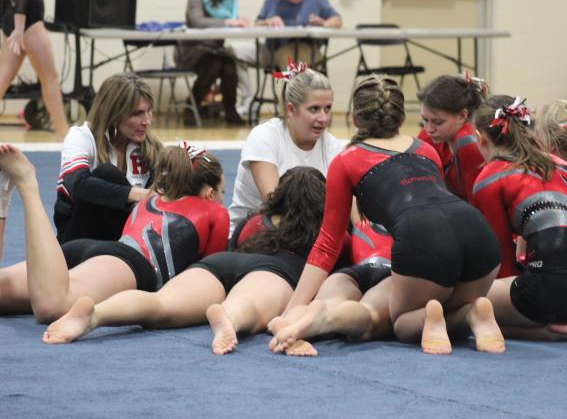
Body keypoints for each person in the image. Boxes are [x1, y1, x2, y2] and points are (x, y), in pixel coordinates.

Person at [270, 75, 504, 356]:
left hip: (423, 234)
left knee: (402, 323)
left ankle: (460, 315)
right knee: (446, 302)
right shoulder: (426, 150)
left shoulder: (348, 160)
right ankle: (473, 310)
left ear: (355, 119)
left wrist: (293, 308)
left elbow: (328, 243)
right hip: (477, 232)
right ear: (401, 117)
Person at [43, 167, 326, 356]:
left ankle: (96, 314)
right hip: (275, 272)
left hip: (220, 263)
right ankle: (228, 317)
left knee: (159, 302)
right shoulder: (325, 233)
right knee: (246, 304)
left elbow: (233, 242)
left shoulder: (254, 221)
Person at [0, 142, 228, 322]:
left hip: (92, 252)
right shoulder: (215, 212)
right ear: (209, 193)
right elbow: (209, 272)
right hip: (127, 264)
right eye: (222, 192)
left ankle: (2, 198)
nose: (221, 198)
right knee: (53, 305)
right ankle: (28, 184)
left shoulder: (151, 199)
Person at [471, 95, 567, 340]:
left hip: (549, 296)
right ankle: (563, 323)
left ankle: (551, 331)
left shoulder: (489, 179)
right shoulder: (562, 164)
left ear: (479, 138)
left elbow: (500, 264)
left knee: (465, 303)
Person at [227, 62, 343, 235]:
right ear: (291, 109)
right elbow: (275, 206)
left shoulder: (334, 147)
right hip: (256, 235)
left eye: (328, 109)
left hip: (309, 233)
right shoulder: (264, 137)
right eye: (314, 109)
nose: (323, 118)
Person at [54, 72, 163, 244]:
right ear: (113, 112)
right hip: (78, 240)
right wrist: (138, 194)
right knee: (106, 173)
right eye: (137, 113)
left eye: (149, 111)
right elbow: (77, 184)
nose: (147, 121)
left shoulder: (151, 148)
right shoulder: (81, 136)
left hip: (124, 240)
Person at [267, 217, 394, 356]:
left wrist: (289, 310)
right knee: (370, 313)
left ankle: (289, 321)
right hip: (390, 275)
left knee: (327, 303)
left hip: (352, 271)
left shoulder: (364, 215)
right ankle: (329, 318)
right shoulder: (411, 216)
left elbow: (328, 245)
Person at [1, 0, 69, 140]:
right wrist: (20, 29)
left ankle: (62, 132)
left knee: (3, 77)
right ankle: (63, 134)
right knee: (51, 78)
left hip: (14, 22)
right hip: (28, 23)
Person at [175, 0, 252, 125]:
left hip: (214, 50)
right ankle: (191, 108)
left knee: (229, 64)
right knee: (215, 64)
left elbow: (230, 20)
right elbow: (197, 21)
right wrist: (228, 22)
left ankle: (231, 111)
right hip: (191, 50)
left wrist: (239, 21)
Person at [417, 72, 488, 200]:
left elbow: (478, 205)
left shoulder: (468, 144)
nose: (429, 129)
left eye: (438, 122)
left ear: (462, 115)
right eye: (425, 120)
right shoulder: (431, 135)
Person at [256, 0, 341, 68]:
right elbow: (256, 24)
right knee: (236, 53)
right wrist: (267, 22)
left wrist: (324, 23)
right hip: (274, 48)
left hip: (307, 48)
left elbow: (337, 20)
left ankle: (297, 83)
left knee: (289, 57)